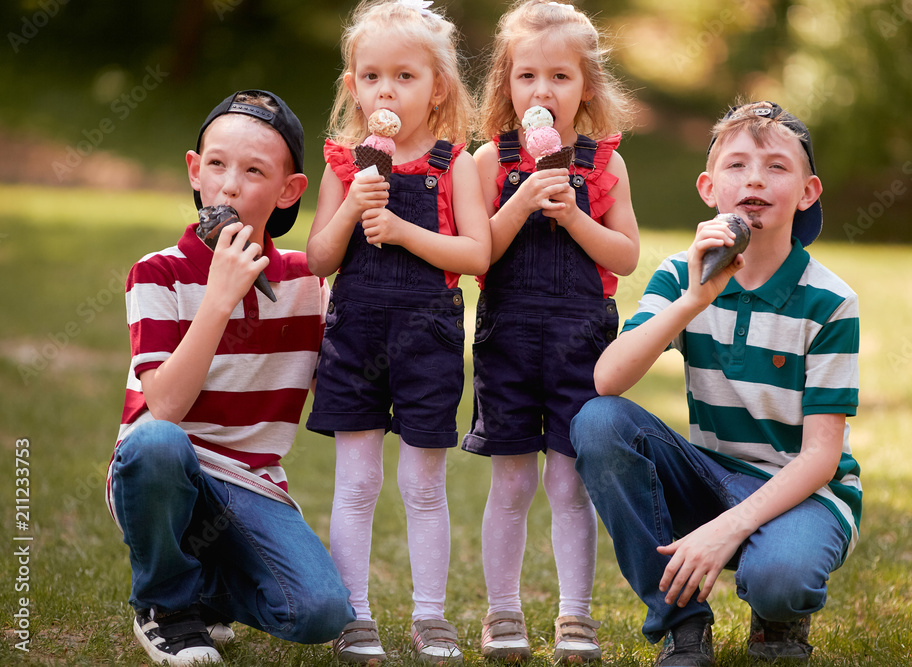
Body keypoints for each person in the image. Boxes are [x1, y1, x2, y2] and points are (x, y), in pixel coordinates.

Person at [571, 101, 862, 666]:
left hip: (803, 491)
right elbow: (608, 379)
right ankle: (682, 625)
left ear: (807, 192)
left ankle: (778, 620)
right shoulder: (683, 275)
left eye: (777, 166)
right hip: (711, 476)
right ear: (709, 188)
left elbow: (821, 458)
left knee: (781, 578)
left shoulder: (830, 301)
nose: (754, 178)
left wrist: (725, 530)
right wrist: (695, 298)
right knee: (598, 422)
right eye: (737, 166)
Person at [106, 89, 355, 667]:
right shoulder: (157, 274)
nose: (230, 186)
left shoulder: (306, 283)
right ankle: (165, 607)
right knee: (158, 442)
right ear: (195, 172)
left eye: (254, 171)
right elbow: (162, 406)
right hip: (163, 468)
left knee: (318, 610)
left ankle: (206, 589)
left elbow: (342, 393)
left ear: (290, 190)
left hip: (250, 483)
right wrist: (219, 299)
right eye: (215, 165)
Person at [304, 0, 490, 663]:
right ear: (353, 85)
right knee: (356, 482)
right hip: (355, 333)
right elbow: (319, 258)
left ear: (436, 86)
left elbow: (477, 255)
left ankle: (430, 614)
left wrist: (407, 232)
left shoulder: (452, 163)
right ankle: (355, 613)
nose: (387, 89)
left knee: (422, 484)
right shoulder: (343, 164)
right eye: (373, 76)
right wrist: (355, 201)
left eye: (405, 77)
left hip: (428, 336)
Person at [462, 1, 640, 662]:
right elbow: (478, 253)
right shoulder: (490, 162)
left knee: (569, 483)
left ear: (586, 87)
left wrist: (575, 217)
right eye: (528, 76)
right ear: (507, 85)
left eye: (561, 77)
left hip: (582, 342)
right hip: (509, 340)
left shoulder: (603, 166)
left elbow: (624, 255)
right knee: (512, 482)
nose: (543, 91)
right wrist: (522, 199)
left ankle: (575, 615)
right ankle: (502, 612)